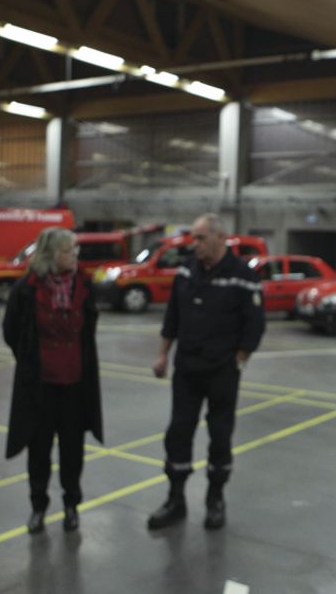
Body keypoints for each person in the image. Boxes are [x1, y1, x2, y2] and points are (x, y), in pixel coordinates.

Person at [148, 213, 266, 530]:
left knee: (219, 435)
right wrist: (163, 355)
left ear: (219, 237)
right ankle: (175, 500)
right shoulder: (186, 270)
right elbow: (172, 315)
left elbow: (254, 326)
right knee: (178, 433)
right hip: (187, 368)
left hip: (222, 372)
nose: (194, 245)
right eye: (193, 239)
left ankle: (215, 499)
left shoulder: (242, 275)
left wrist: (237, 360)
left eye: (200, 238)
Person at [2, 227, 103, 535]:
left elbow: (89, 329)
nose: (76, 255)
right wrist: (31, 360)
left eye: (76, 249)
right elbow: (11, 331)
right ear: (51, 254)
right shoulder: (27, 288)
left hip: (76, 385)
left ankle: (71, 506)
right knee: (39, 451)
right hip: (40, 386)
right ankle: (38, 507)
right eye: (69, 250)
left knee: (73, 450)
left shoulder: (84, 285)